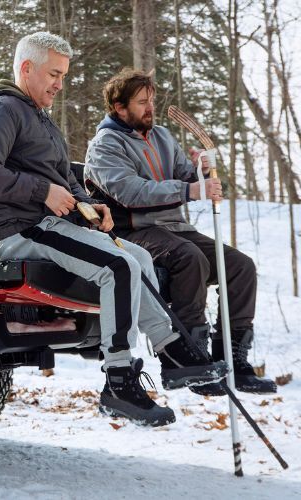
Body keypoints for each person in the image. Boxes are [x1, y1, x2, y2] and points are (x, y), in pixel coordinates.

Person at [0, 32, 227, 427]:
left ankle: (171, 352)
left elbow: (59, 178)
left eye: (63, 75)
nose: (59, 84)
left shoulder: (38, 117)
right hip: (21, 229)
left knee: (136, 256)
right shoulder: (4, 109)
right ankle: (118, 381)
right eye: (54, 73)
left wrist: (90, 206)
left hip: (49, 223)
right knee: (118, 266)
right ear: (26, 68)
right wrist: (44, 192)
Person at [83, 68, 276, 395]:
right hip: (131, 232)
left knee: (240, 267)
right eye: (142, 102)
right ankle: (189, 359)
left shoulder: (161, 137)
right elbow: (131, 192)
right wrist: (190, 191)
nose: (150, 107)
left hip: (174, 228)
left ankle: (233, 359)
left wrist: (200, 173)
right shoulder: (105, 146)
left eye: (152, 100)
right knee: (190, 259)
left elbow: (187, 179)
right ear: (119, 107)